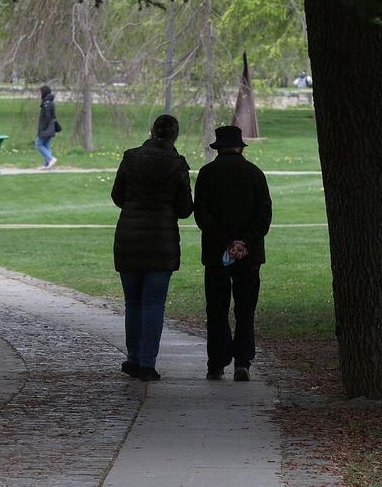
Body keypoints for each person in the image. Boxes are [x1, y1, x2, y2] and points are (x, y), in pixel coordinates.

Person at [111, 114, 194, 381]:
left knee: (133, 303)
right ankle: (147, 363)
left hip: (130, 239)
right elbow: (184, 209)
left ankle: (133, 358)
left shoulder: (130, 157)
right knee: (153, 304)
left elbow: (117, 196)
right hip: (161, 242)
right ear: (174, 136)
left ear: (152, 131)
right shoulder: (177, 165)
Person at [194, 125, 272, 382]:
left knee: (216, 308)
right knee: (245, 309)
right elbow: (263, 216)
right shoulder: (255, 174)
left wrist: (227, 242)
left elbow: (203, 215)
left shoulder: (207, 174)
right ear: (240, 147)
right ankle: (243, 361)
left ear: (219, 148)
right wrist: (243, 242)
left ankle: (216, 361)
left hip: (217, 251)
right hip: (249, 254)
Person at [35, 85, 58, 170]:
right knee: (46, 145)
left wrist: (42, 129)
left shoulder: (46, 103)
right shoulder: (50, 102)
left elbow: (47, 117)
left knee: (39, 144)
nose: (40, 94)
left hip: (46, 128)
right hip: (50, 128)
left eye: (40, 92)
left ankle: (51, 159)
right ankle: (47, 164)